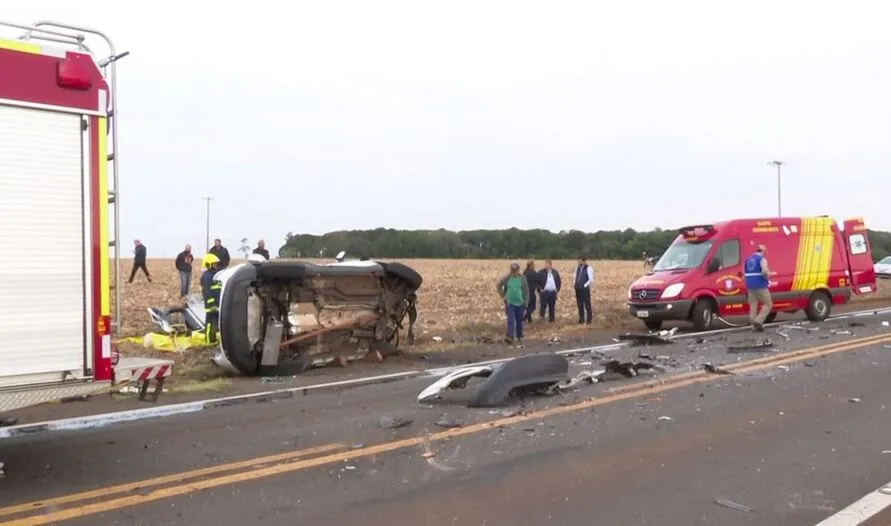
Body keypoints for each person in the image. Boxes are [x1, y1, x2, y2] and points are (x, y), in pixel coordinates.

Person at [496, 263, 530, 345]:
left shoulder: (522, 278)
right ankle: (510, 337)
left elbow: (526, 291)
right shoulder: (507, 278)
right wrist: (503, 296)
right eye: (512, 271)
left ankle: (519, 337)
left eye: (515, 271)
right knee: (510, 320)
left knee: (519, 321)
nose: (514, 273)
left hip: (520, 303)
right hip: (510, 303)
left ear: (518, 271)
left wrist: (526, 302)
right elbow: (498, 285)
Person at [744, 244, 773, 332]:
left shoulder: (747, 260)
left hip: (749, 285)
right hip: (760, 285)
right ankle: (758, 321)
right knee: (768, 304)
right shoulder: (762, 259)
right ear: (763, 251)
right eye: (765, 253)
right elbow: (764, 271)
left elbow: (744, 272)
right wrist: (768, 276)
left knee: (753, 305)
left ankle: (753, 325)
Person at [201, 253, 223, 344]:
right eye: (214, 264)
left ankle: (212, 339)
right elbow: (207, 292)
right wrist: (212, 303)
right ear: (208, 264)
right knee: (210, 323)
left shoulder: (215, 275)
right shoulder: (207, 276)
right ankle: (209, 340)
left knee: (215, 323)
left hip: (216, 304)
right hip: (211, 305)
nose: (216, 265)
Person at [573, 257, 594, 324]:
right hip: (578, 289)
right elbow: (575, 276)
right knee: (579, 304)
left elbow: (590, 279)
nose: (578, 263)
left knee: (587, 304)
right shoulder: (577, 268)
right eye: (578, 261)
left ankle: (589, 319)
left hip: (585, 289)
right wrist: (575, 284)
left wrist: (584, 286)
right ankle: (581, 319)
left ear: (584, 261)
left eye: (580, 261)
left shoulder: (588, 268)